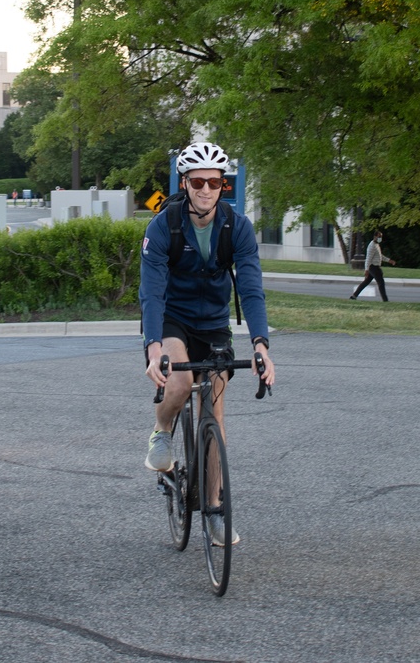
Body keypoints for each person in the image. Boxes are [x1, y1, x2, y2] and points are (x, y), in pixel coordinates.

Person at [139, 141, 276, 545]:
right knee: (180, 383)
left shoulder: (238, 228)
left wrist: (260, 344)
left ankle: (215, 510)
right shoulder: (164, 226)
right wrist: (153, 349)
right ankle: (161, 429)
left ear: (222, 186)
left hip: (214, 323)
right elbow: (151, 290)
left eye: (214, 182)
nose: (205, 189)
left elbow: (251, 289)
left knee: (214, 410)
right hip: (172, 319)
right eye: (197, 181)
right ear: (185, 183)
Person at [350, 230, 396, 301]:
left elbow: (380, 256)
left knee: (366, 282)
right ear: (375, 236)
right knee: (381, 283)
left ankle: (354, 296)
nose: (380, 238)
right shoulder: (372, 246)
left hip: (374, 267)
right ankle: (385, 300)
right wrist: (366, 269)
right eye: (379, 236)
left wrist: (389, 260)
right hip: (374, 267)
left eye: (381, 237)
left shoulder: (376, 245)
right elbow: (368, 258)